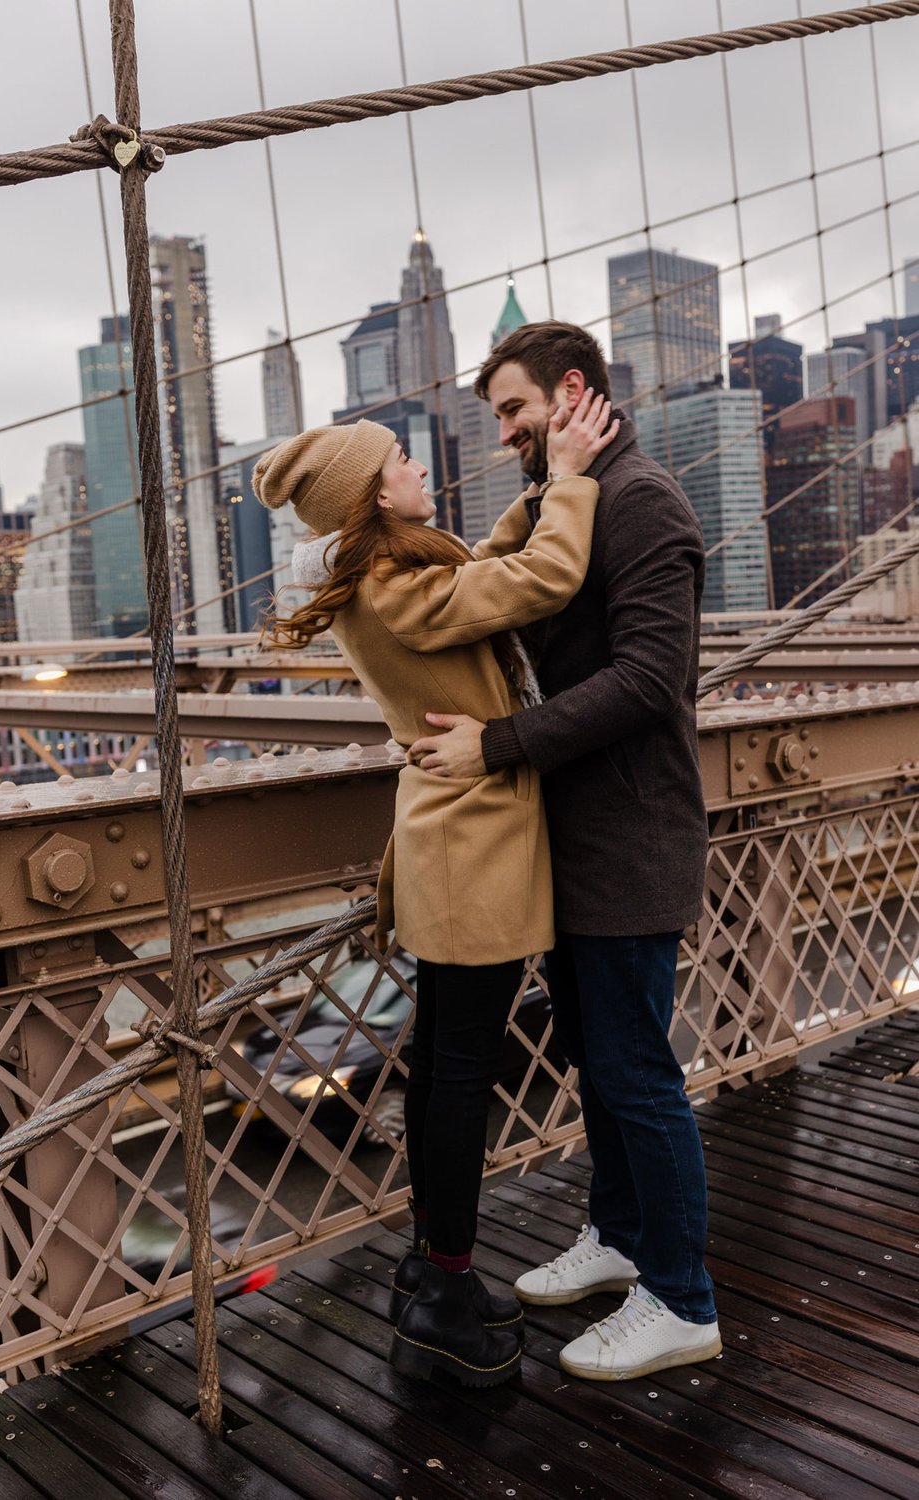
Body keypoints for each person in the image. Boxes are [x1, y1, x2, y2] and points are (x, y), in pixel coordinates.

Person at [254, 396, 616, 1388]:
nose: (421, 466)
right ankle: (442, 1291)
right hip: (471, 848)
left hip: (464, 843)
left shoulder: (394, 571)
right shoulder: (392, 587)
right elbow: (540, 579)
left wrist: (540, 487)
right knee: (458, 1072)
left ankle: (429, 1265)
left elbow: (487, 565)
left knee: (442, 1062)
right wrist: (576, 484)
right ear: (377, 491)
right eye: (405, 460)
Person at [410, 320, 721, 1382]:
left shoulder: (642, 503)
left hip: (630, 834)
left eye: (512, 410)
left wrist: (494, 746)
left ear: (570, 392)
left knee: (637, 1074)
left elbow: (647, 679)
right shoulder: (569, 498)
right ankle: (622, 1235)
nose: (503, 434)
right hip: (570, 836)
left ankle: (681, 1299)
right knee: (596, 1060)